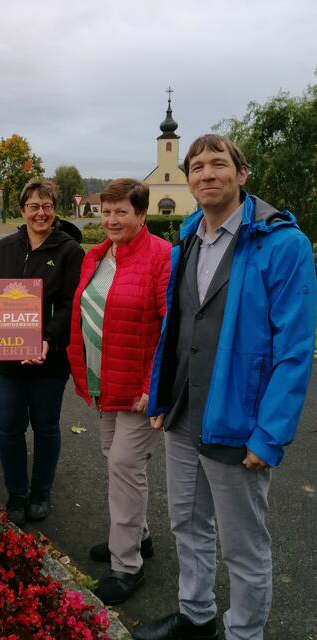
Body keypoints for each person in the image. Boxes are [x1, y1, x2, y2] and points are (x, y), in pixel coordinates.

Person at [133, 134, 316, 640]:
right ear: (188, 179)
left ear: (242, 173)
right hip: (185, 412)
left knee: (243, 546)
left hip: (239, 421)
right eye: (197, 166)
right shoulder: (189, 237)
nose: (206, 173)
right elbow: (176, 326)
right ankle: (196, 615)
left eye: (218, 164)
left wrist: (270, 434)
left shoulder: (282, 244)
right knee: (187, 526)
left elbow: (296, 350)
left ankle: (244, 633)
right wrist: (162, 392)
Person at [67, 179, 170, 605]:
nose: (110, 219)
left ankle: (127, 565)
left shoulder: (162, 257)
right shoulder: (96, 255)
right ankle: (137, 535)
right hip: (103, 380)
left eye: (120, 212)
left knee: (126, 465)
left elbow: (172, 327)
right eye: (105, 212)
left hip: (137, 389)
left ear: (141, 214)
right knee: (116, 460)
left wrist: (154, 386)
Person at [0, 177, 84, 527]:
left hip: (49, 357)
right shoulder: (6, 246)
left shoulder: (70, 250)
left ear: (55, 210)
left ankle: (41, 490)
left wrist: (50, 339)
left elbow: (74, 304)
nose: (40, 213)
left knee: (45, 426)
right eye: (33, 206)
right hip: (5, 354)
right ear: (22, 210)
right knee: (9, 427)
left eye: (47, 206)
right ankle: (16, 491)